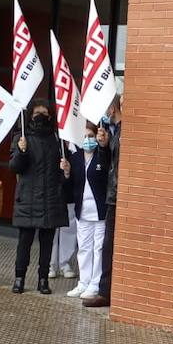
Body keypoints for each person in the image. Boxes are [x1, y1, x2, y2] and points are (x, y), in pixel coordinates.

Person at [10, 99, 70, 294]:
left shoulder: (57, 138)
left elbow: (64, 172)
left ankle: (43, 280)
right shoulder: (22, 137)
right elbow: (14, 167)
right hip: (28, 198)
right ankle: (19, 278)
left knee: (47, 244)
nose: (41, 117)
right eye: (37, 114)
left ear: (51, 116)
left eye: (45, 114)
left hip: (51, 198)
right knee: (24, 243)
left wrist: (66, 170)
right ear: (30, 116)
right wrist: (21, 151)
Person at [83, 98, 121, 309]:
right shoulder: (114, 133)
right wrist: (104, 147)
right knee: (107, 246)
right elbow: (109, 165)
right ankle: (104, 291)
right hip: (112, 195)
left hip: (118, 196)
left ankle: (106, 290)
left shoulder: (124, 132)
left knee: (106, 245)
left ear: (111, 109)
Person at [65, 120, 109, 301]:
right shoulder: (75, 159)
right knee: (84, 248)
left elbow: (107, 173)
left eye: (90, 136)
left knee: (98, 248)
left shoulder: (102, 156)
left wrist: (104, 146)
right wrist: (66, 173)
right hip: (82, 211)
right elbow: (69, 187)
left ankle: (95, 284)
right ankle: (83, 282)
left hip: (100, 212)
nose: (87, 140)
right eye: (84, 137)